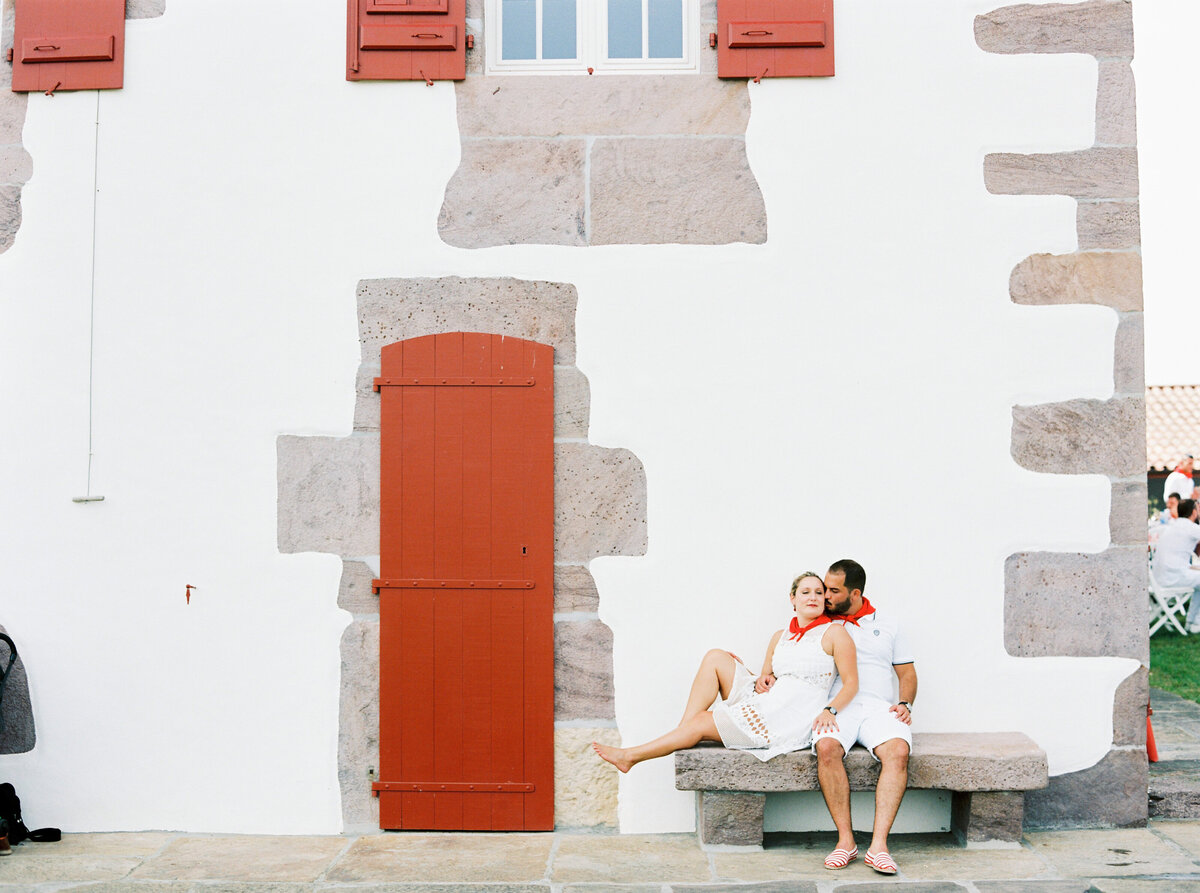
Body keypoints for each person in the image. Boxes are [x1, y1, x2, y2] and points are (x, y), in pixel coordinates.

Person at [592, 572, 858, 772]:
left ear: (825, 599)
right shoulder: (781, 636)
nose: (812, 597)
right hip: (770, 699)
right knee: (716, 656)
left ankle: (632, 756)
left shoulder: (834, 633)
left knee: (701, 722)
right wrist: (751, 672)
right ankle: (684, 731)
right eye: (805, 592)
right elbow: (765, 679)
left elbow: (851, 684)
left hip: (791, 713)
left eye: (818, 592)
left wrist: (830, 710)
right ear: (793, 598)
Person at [815, 559, 916, 877]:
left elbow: (907, 672)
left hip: (878, 708)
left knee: (898, 751)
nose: (825, 595)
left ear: (855, 593)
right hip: (836, 708)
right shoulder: (819, 622)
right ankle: (846, 842)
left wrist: (905, 703)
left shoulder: (888, 623)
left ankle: (879, 847)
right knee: (827, 748)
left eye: (834, 590)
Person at [1156, 498, 1200, 633]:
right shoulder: (1190, 527)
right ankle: (1195, 622)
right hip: (1172, 577)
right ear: (1193, 512)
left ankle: (1192, 622)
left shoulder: (1173, 525)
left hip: (1160, 577)